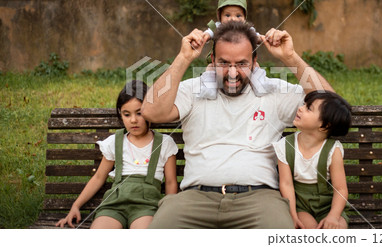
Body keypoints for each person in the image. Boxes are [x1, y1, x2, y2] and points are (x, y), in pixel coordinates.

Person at [141, 21, 334, 228]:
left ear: (254, 61)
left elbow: (330, 105)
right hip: (195, 199)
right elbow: (151, 112)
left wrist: (290, 57)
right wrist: (183, 58)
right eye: (224, 63)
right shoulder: (194, 90)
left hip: (259, 200)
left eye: (241, 64)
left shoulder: (273, 92)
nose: (232, 73)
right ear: (212, 60)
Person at [55, 80, 178, 229]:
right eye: (127, 114)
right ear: (120, 115)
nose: (133, 120)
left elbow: (171, 182)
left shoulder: (164, 143)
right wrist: (76, 205)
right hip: (113, 206)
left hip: (146, 207)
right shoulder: (115, 142)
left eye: (139, 113)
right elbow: (99, 177)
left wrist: (168, 214)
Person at [273, 90, 351, 229]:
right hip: (301, 206)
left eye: (308, 108)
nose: (300, 108)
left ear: (324, 126)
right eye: (304, 104)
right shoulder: (285, 146)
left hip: (328, 207)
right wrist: (293, 215)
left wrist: (333, 216)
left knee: (338, 229)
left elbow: (340, 189)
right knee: (310, 230)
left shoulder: (333, 150)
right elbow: (286, 184)